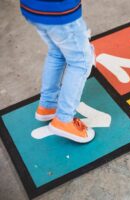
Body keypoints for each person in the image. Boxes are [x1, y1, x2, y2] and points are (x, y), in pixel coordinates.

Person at [20, 0, 95, 143]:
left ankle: (47, 106)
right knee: (81, 63)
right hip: (59, 11)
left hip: (33, 8)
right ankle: (64, 120)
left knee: (57, 52)